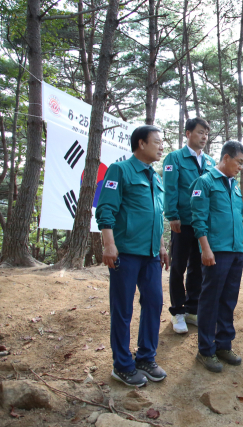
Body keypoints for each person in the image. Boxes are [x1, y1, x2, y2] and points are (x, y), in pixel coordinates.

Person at [96, 125, 170, 387]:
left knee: (154, 303)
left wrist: (161, 246)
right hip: (125, 253)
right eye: (157, 142)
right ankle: (122, 365)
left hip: (150, 255)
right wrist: (108, 244)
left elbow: (156, 217)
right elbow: (106, 208)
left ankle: (146, 358)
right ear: (141, 143)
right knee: (122, 309)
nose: (162, 146)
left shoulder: (156, 177)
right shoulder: (121, 170)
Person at [190, 140, 243, 373]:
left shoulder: (233, 185)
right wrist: (205, 248)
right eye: (239, 162)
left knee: (228, 300)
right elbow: (198, 218)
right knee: (210, 300)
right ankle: (205, 350)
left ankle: (224, 344)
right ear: (225, 158)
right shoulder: (204, 182)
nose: (241, 167)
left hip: (235, 251)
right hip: (216, 251)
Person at [163, 118, 216, 334]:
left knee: (198, 266)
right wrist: (173, 215)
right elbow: (170, 188)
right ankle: (177, 312)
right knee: (178, 267)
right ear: (188, 133)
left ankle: (192, 308)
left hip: (202, 225)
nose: (204, 137)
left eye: (206, 134)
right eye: (200, 132)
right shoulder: (175, 158)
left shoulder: (211, 162)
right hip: (182, 222)